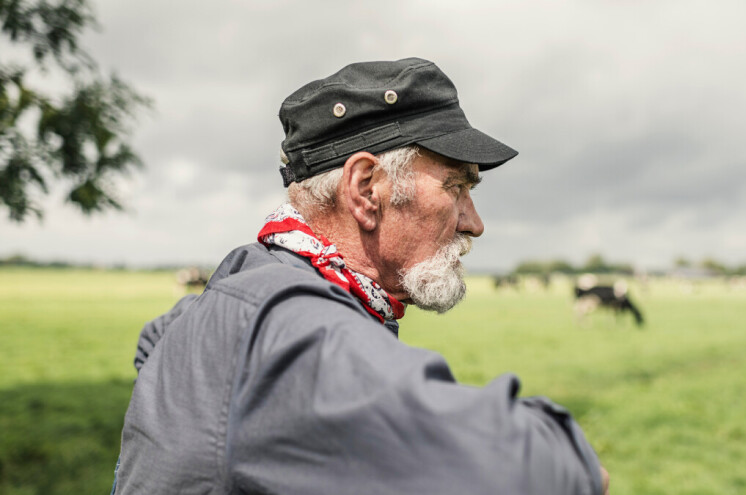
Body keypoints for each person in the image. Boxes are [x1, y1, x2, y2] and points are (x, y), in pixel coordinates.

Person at [114, 58, 609, 494]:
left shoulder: (246, 285)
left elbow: (154, 341)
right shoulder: (283, 328)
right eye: (456, 185)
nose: (474, 222)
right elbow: (526, 472)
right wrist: (571, 455)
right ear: (366, 188)